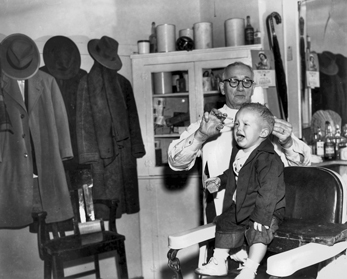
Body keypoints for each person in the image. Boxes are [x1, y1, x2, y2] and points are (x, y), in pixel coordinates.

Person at [167, 61, 311, 267]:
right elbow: (175, 161)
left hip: (262, 233)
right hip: (221, 233)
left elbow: (303, 166)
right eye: (233, 81)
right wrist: (200, 136)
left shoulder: (266, 124)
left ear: (253, 87)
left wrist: (287, 142)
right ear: (221, 86)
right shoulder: (207, 123)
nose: (241, 87)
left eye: (246, 82)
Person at [195, 102, 285, 277]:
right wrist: (219, 180)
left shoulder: (268, 159)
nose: (238, 128)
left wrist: (262, 215)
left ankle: (249, 269)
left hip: (267, 208)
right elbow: (234, 173)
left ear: (264, 133)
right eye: (236, 123)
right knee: (223, 221)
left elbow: (269, 190)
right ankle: (219, 261)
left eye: (245, 124)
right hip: (244, 205)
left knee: (259, 231)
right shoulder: (241, 152)